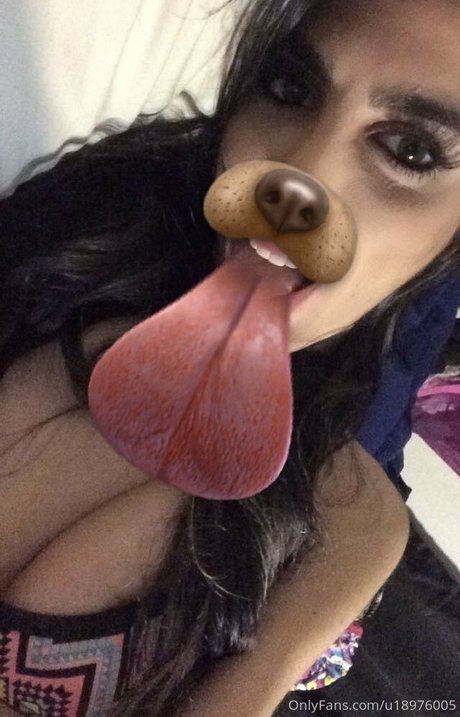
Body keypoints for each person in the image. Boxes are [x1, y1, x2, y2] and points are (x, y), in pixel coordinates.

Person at [0, 0, 459, 715]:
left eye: (410, 149)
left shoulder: (358, 516)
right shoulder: (75, 239)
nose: (294, 178)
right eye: (291, 88)